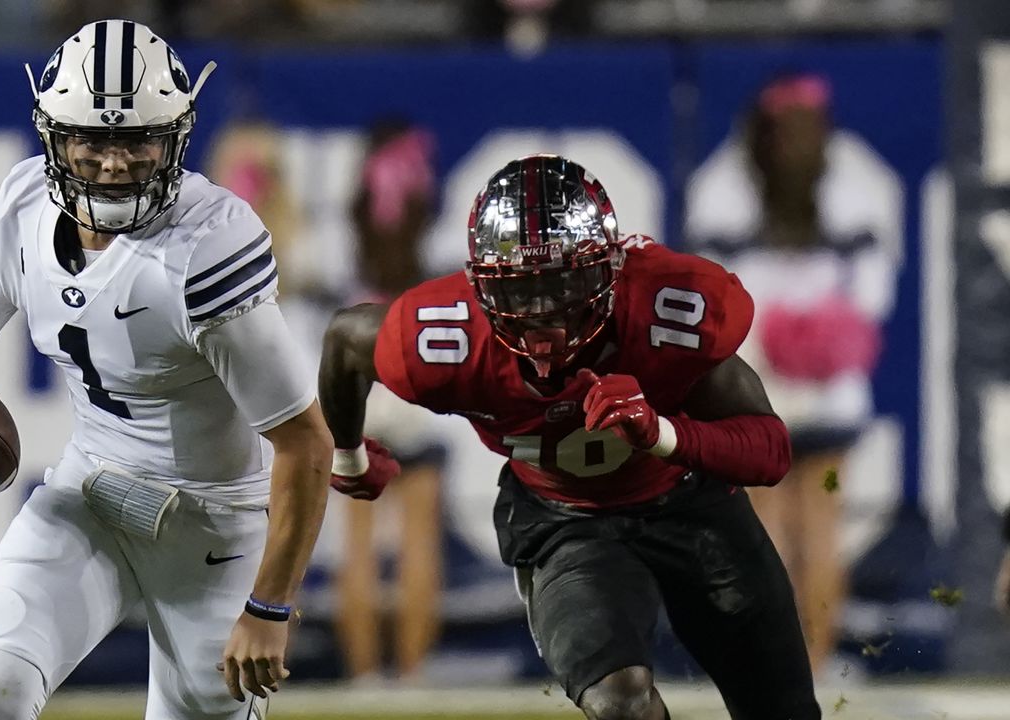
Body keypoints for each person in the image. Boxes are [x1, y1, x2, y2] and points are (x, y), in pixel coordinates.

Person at [0, 20, 333, 720]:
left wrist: (270, 605)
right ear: (55, 138)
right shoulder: (24, 210)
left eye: (137, 139)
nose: (114, 162)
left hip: (215, 529)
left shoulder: (204, 249)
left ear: (173, 138)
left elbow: (304, 441)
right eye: (93, 139)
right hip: (89, 500)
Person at [319, 154, 820, 720]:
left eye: (561, 283)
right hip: (565, 521)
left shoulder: (666, 305)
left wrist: (662, 433)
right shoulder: (443, 335)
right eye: (519, 290)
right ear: (482, 286)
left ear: (610, 268)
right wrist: (348, 454)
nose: (541, 315)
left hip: (690, 503)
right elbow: (343, 342)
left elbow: (771, 450)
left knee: (783, 712)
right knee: (620, 703)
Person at [684, 72, 893, 674]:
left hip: (758, 392)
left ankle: (773, 666)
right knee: (821, 528)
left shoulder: (721, 185)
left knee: (764, 529)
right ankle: (816, 664)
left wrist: (782, 332)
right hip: (825, 397)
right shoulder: (849, 184)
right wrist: (821, 332)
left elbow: (706, 297)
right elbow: (873, 297)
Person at [335, 121, 446, 683]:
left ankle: (364, 681)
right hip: (410, 371)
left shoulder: (349, 242)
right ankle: (411, 680)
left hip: (360, 386)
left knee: (359, 545)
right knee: (419, 541)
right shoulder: (420, 229)